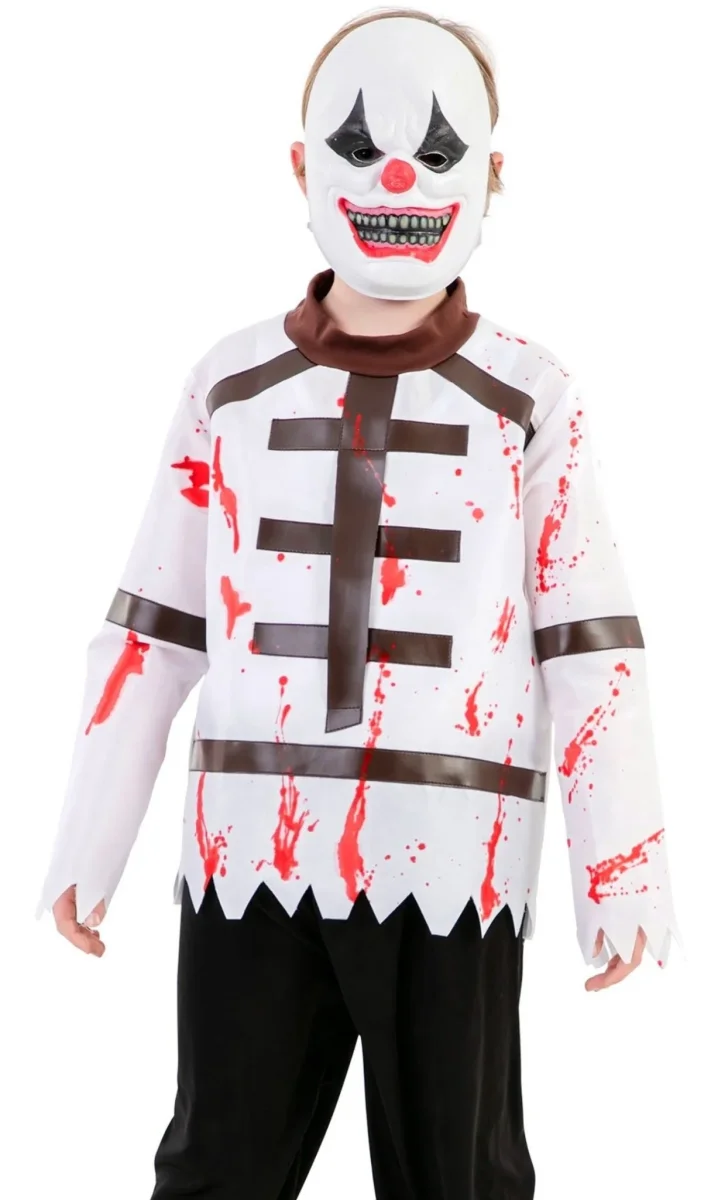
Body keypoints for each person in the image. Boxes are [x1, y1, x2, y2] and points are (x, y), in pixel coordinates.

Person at [38, 10, 678, 1199]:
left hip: (456, 857)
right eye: (357, 146)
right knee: (218, 1166)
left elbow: (586, 640)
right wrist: (90, 841)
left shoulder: (530, 397)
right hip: (246, 846)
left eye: (436, 153)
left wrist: (622, 863)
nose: (395, 180)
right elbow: (152, 629)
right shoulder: (229, 384)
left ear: (490, 173)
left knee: (456, 1173)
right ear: (300, 165)